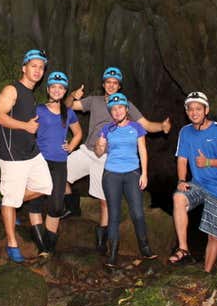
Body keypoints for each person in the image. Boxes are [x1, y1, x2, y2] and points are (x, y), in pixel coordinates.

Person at [65, 66, 171, 254]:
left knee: (104, 200)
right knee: (60, 173)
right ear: (103, 84)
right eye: (108, 82)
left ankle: (101, 240)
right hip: (88, 150)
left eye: (115, 83)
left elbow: (145, 125)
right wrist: (73, 94)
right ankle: (71, 208)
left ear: (119, 86)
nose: (111, 85)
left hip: (107, 158)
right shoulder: (95, 101)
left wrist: (162, 126)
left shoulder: (124, 105)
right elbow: (68, 105)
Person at [0, 49, 54, 263]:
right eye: (33, 66)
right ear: (24, 68)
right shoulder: (12, 90)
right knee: (11, 198)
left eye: (41, 67)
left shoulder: (30, 94)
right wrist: (26, 127)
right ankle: (12, 244)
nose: (37, 70)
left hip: (31, 152)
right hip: (13, 156)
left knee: (45, 186)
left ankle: (9, 202)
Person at [169, 91, 217, 272]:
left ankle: (206, 273)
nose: (194, 112)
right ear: (187, 112)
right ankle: (183, 248)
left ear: (206, 110)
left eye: (198, 109)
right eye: (190, 109)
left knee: (213, 236)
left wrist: (208, 162)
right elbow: (182, 159)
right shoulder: (185, 132)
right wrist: (182, 180)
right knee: (179, 197)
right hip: (198, 183)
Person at [94, 93, 157, 267]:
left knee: (137, 212)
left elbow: (142, 150)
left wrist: (144, 173)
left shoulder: (137, 128)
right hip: (111, 174)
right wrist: (99, 146)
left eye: (120, 108)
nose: (117, 111)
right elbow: (99, 153)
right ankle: (112, 254)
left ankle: (145, 248)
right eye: (114, 109)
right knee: (113, 214)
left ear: (126, 109)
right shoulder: (106, 129)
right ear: (111, 112)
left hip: (132, 173)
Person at [34, 71, 83, 254]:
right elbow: (28, 131)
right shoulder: (39, 110)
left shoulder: (68, 113)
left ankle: (49, 246)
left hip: (59, 162)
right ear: (47, 89)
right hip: (40, 161)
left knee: (56, 206)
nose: (56, 90)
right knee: (37, 201)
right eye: (53, 87)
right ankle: (45, 250)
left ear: (64, 91)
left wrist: (71, 146)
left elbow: (78, 132)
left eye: (60, 88)